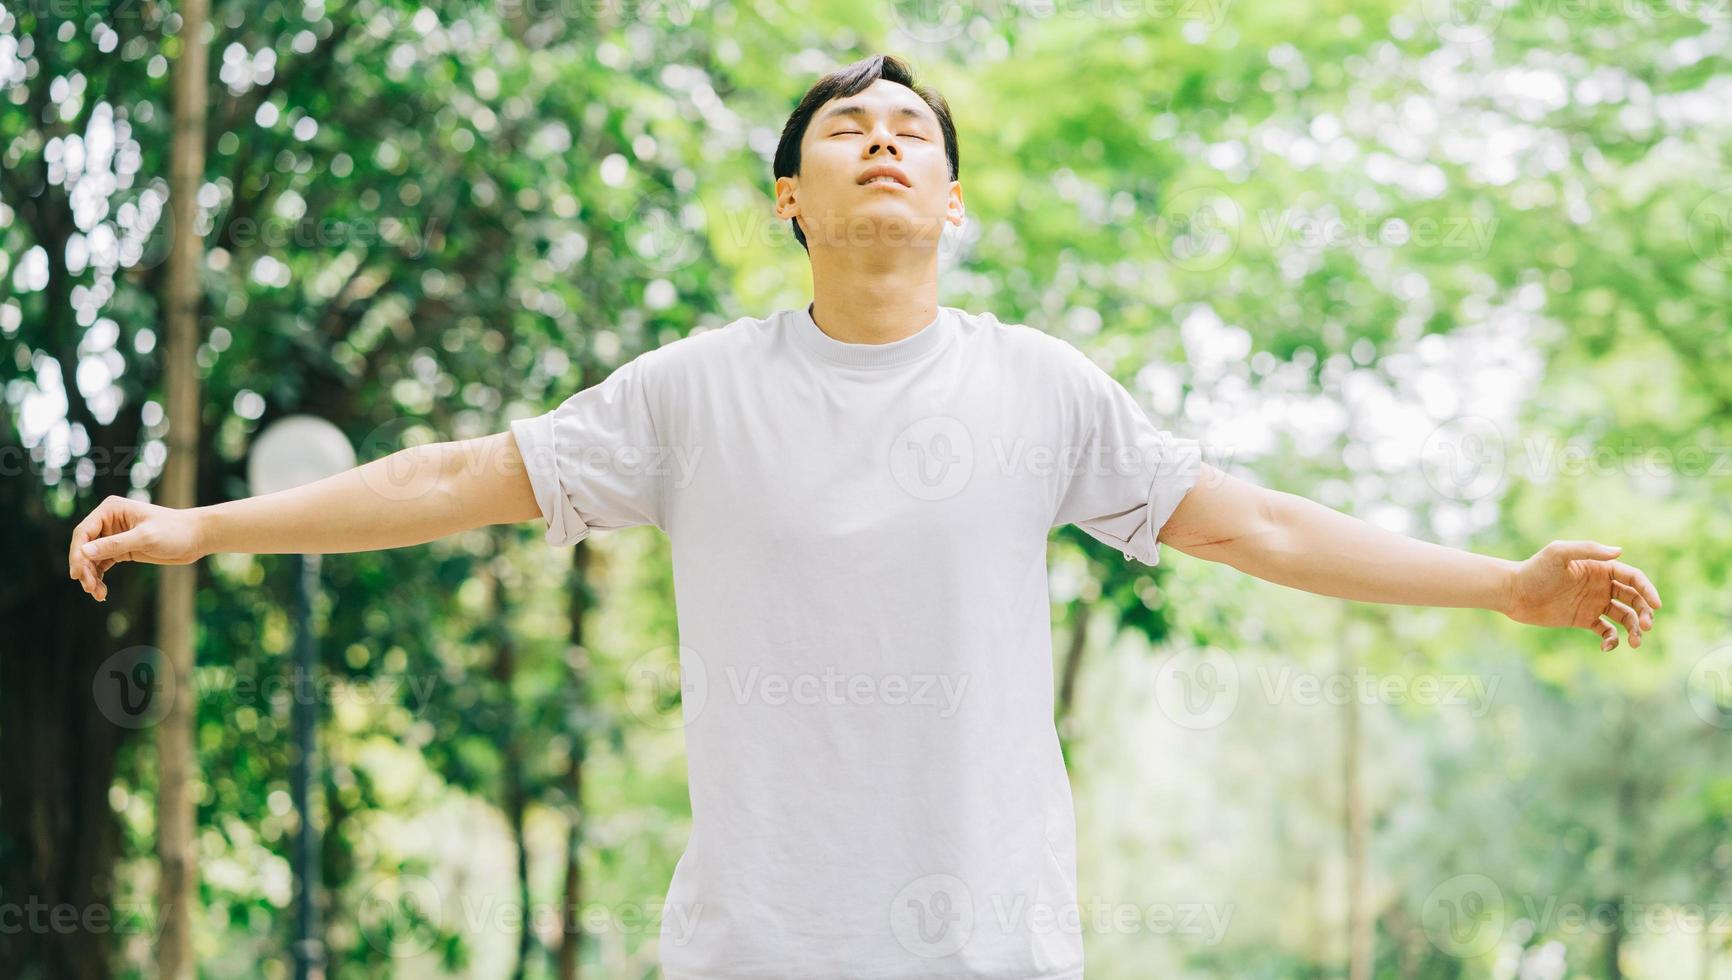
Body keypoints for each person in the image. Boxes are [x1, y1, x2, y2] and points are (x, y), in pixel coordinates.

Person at [67, 54, 1661, 980]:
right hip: (756, 948)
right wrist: (208, 527)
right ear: (793, 203)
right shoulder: (690, 392)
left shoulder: (1042, 389)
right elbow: (455, 478)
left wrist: (1501, 585)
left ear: (953, 205)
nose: (885, 137)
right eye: (847, 128)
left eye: (916, 133)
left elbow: (1258, 527)